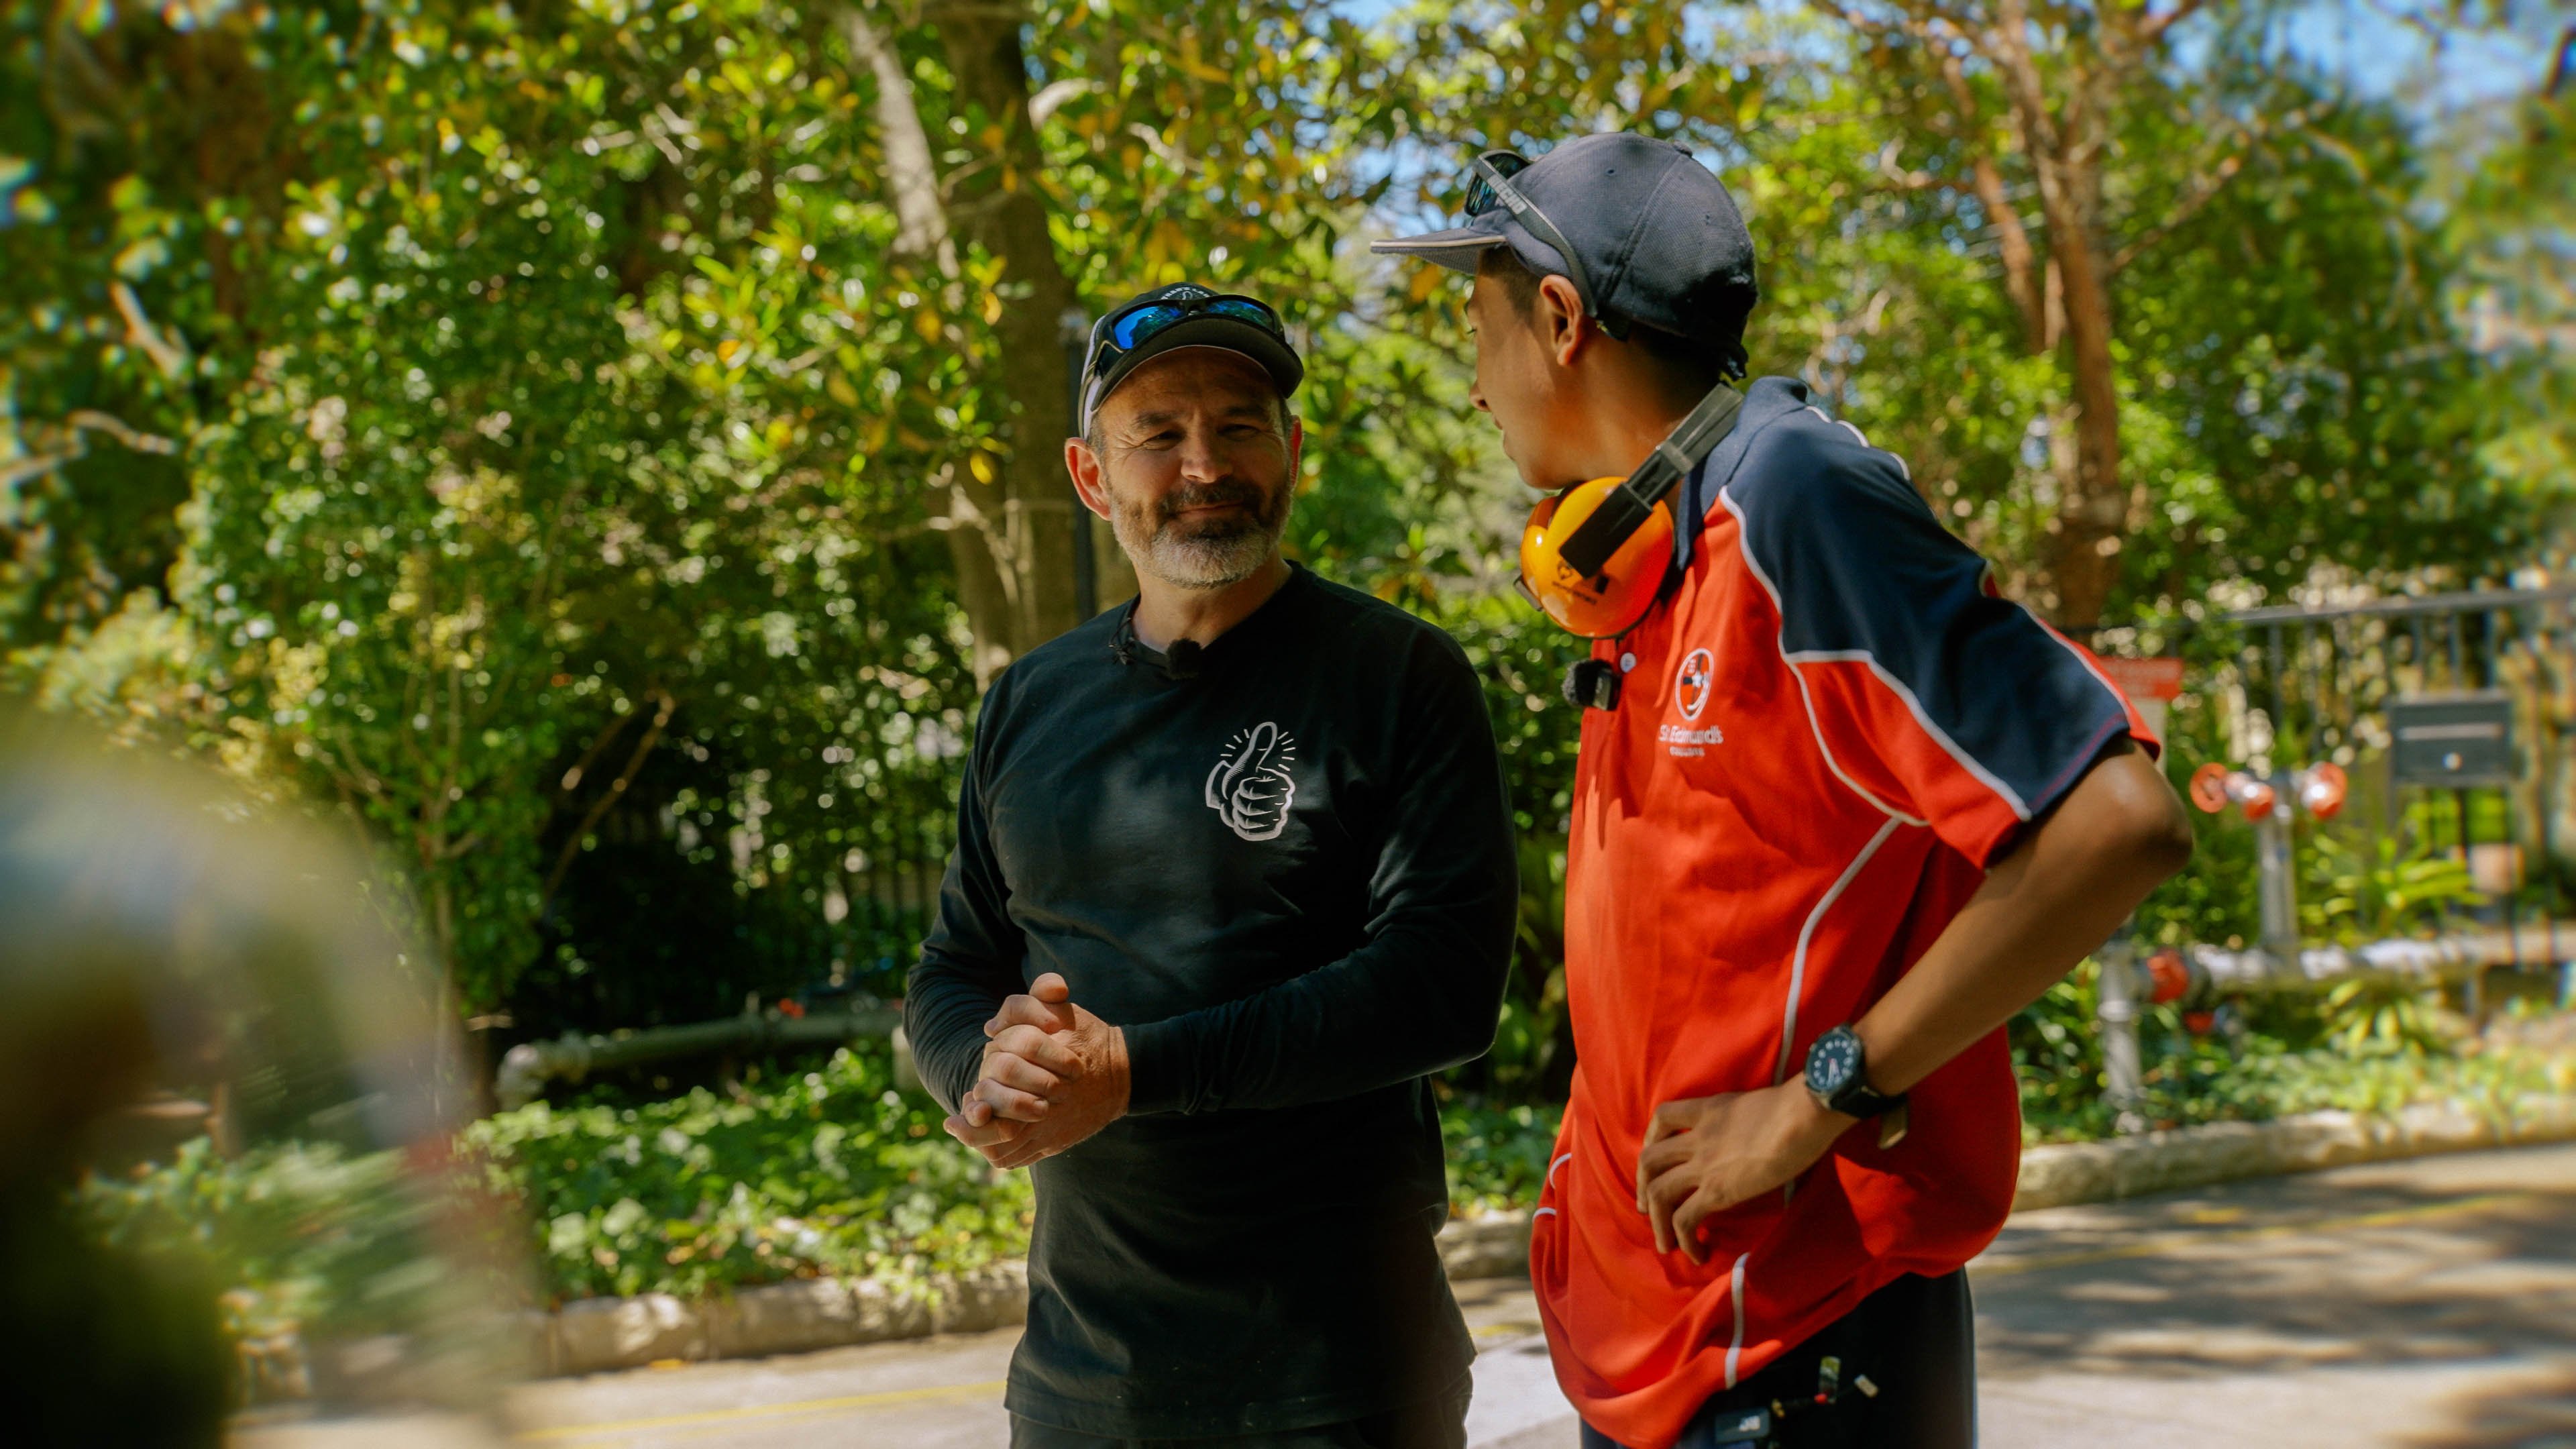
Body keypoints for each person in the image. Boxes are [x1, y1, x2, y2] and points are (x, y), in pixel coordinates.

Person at [1372, 134, 2195, 1449]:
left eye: (1478, 328)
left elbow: (2117, 824)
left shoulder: (1797, 502)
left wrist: (1819, 1099)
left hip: (1798, 1349)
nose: (1474, 382)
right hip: (1662, 1343)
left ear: (1561, 318)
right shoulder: (1654, 554)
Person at [902, 283, 1520, 1448]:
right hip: (1084, 1383)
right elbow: (954, 967)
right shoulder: (1030, 703)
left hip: (1343, 1381)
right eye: (1158, 433)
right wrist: (983, 1079)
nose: (1204, 466)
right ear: (1092, 477)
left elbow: (1442, 986)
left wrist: (1131, 1071)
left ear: (1293, 451)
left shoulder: (1398, 677)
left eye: (1239, 426)